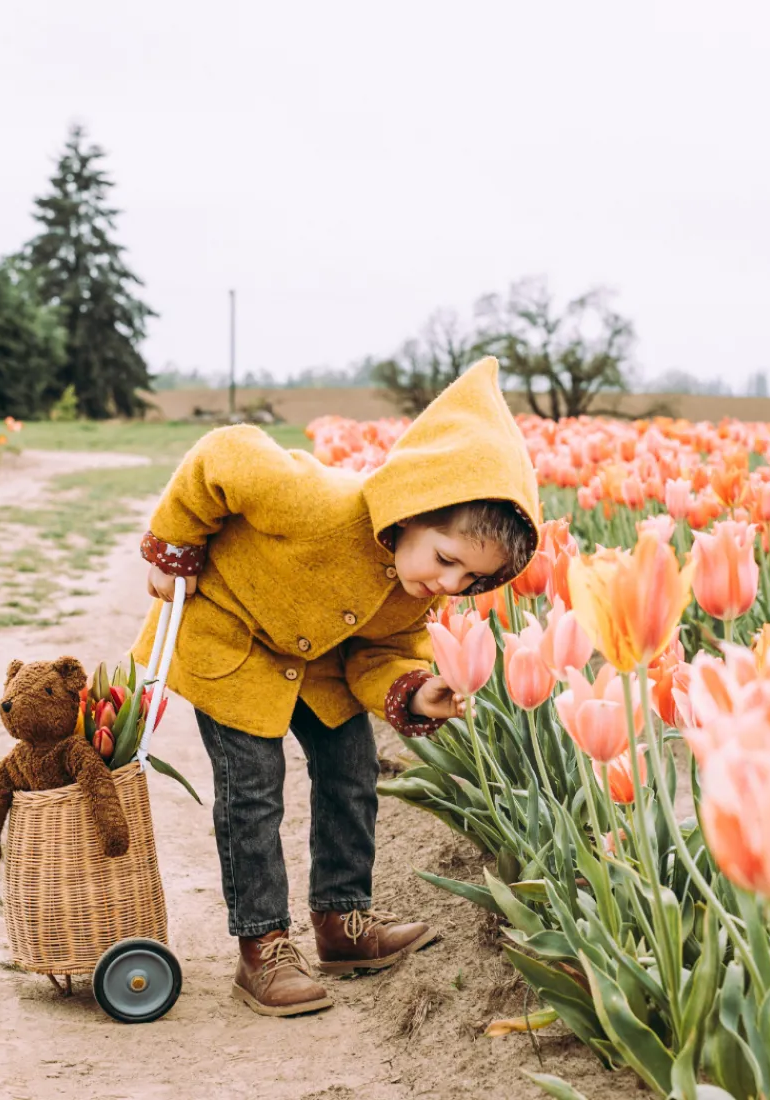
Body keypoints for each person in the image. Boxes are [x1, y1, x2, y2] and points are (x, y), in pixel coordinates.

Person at [132, 356, 539, 1016]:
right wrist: (173, 548)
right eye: (445, 559)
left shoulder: (415, 591)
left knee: (351, 770)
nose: (450, 585)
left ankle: (342, 924)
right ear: (411, 509)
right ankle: (262, 945)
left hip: (317, 664)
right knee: (254, 789)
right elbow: (225, 451)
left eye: (471, 580)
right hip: (233, 637)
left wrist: (414, 690)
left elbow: (380, 653)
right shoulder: (316, 504)